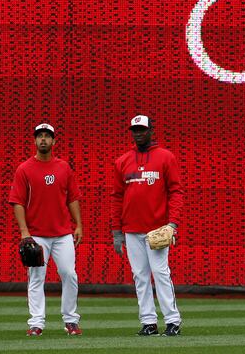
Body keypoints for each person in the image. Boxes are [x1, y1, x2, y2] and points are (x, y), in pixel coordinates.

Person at [111, 115, 183, 336]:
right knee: (140, 275)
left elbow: (176, 192)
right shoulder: (122, 161)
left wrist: (172, 224)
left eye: (142, 129)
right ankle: (149, 322)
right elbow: (116, 197)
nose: (138, 133)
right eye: (135, 130)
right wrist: (116, 232)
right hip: (131, 229)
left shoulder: (165, 157)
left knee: (160, 273)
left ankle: (172, 320)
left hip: (157, 229)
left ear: (151, 130)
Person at [8, 123, 83, 336]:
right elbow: (17, 202)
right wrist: (25, 232)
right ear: (34, 140)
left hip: (62, 234)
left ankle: (70, 320)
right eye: (39, 136)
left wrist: (78, 224)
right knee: (36, 277)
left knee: (69, 274)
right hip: (37, 234)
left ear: (54, 141)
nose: (43, 139)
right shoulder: (24, 169)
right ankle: (36, 322)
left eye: (47, 136)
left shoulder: (63, 167)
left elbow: (73, 198)